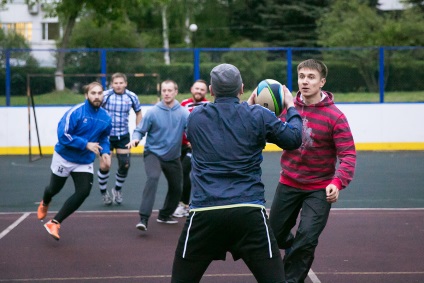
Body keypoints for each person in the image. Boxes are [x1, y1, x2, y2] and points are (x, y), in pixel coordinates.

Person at [171, 63, 303, 283]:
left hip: (205, 211)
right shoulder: (258, 115)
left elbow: (223, 127)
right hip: (248, 211)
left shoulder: (195, 117)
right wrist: (290, 106)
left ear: (211, 91)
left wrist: (244, 109)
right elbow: (294, 139)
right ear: (242, 88)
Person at [269, 59, 357, 282]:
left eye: (311, 77)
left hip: (319, 188)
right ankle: (292, 245)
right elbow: (274, 134)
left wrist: (337, 183)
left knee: (307, 239)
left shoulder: (335, 116)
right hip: (289, 182)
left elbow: (347, 155)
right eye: (301, 77)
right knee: (273, 236)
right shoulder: (287, 110)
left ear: (322, 82)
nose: (305, 82)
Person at [37, 82, 112, 241]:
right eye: (93, 93)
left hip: (84, 161)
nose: (97, 96)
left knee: (84, 191)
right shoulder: (76, 112)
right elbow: (63, 136)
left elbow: (104, 138)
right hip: (64, 158)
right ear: (87, 95)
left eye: (99, 93)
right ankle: (45, 201)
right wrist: (85, 144)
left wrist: (105, 152)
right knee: (54, 188)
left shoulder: (106, 117)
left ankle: (55, 222)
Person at [126, 80, 189, 231]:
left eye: (169, 90)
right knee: (153, 177)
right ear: (161, 92)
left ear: (176, 92)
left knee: (177, 187)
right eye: (164, 90)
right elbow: (140, 130)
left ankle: (165, 214)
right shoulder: (153, 112)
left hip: (173, 156)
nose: (166, 93)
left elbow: (191, 131)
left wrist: (195, 140)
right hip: (153, 153)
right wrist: (135, 139)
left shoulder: (183, 113)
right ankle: (144, 219)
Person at [97, 72, 142, 205]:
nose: (118, 85)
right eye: (116, 83)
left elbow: (138, 113)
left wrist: (137, 132)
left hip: (123, 136)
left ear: (125, 84)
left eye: (121, 83)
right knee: (105, 165)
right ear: (112, 84)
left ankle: (117, 189)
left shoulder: (131, 96)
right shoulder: (105, 96)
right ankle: (104, 193)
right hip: (105, 136)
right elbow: (94, 109)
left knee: (125, 165)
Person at [172, 79, 210, 218]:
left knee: (187, 172)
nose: (199, 91)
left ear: (206, 92)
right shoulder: (183, 104)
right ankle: (184, 205)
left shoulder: (208, 106)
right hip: (181, 147)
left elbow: (209, 128)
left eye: (202, 89)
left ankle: (184, 205)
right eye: (197, 88)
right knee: (180, 175)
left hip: (197, 148)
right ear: (191, 89)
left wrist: (196, 142)